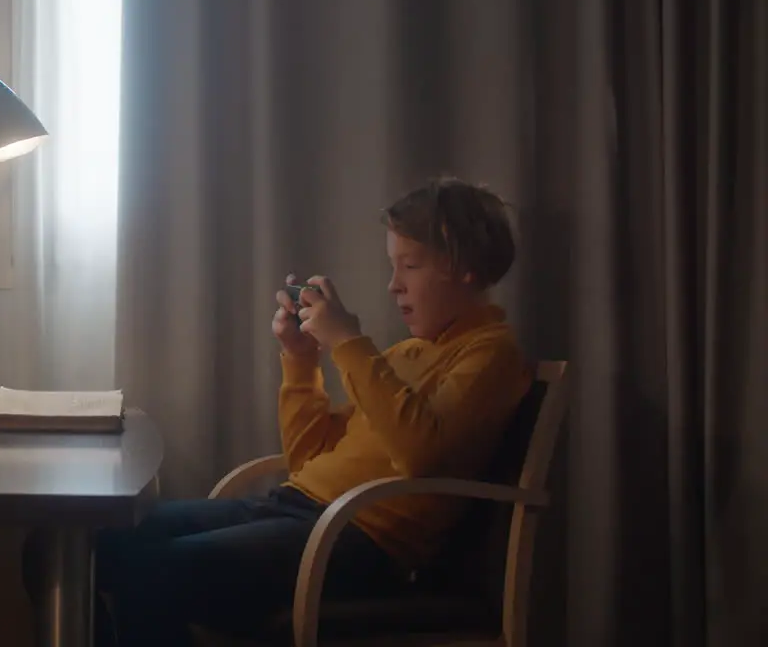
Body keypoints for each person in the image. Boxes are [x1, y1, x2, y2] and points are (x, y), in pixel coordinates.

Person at [27, 178, 533, 647]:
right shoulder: (404, 356)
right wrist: (301, 358)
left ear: (466, 268)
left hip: (359, 539)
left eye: (411, 266)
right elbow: (309, 455)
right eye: (392, 266)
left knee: (151, 574)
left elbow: (422, 453)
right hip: (292, 508)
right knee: (63, 546)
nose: (393, 285)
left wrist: (349, 343)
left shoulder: (491, 355)